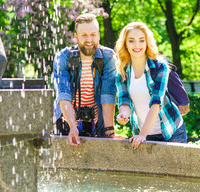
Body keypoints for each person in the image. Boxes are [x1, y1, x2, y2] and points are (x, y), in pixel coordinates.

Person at [115, 22, 187, 148]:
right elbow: (124, 100)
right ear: (125, 44)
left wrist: (142, 135)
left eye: (141, 40)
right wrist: (123, 115)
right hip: (147, 133)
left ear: (147, 42)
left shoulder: (160, 67)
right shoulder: (122, 73)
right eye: (131, 41)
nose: (137, 45)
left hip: (172, 130)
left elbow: (156, 103)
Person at [53, 13, 117, 146]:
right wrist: (72, 127)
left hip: (97, 122)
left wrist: (109, 132)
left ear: (98, 35)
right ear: (76, 37)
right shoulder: (63, 57)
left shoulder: (108, 57)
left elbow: (108, 95)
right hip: (65, 122)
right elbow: (63, 94)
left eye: (93, 34)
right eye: (84, 35)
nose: (89, 39)